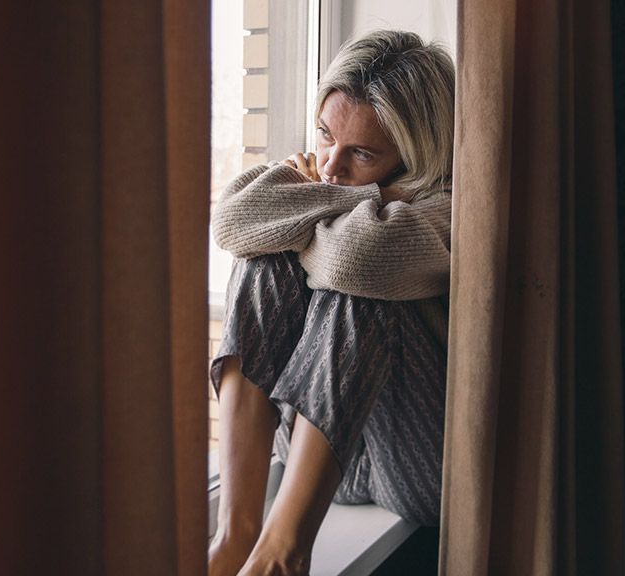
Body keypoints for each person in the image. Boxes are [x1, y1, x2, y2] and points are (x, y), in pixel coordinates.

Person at [208, 30, 455, 576]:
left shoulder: (447, 205)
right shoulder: (332, 176)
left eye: (362, 154)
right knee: (260, 257)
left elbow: (359, 257)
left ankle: (283, 553)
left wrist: (316, 205)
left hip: (409, 462)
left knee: (360, 288)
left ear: (415, 158)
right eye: (324, 136)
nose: (330, 166)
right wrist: (367, 194)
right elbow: (231, 223)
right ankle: (236, 535)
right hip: (306, 449)